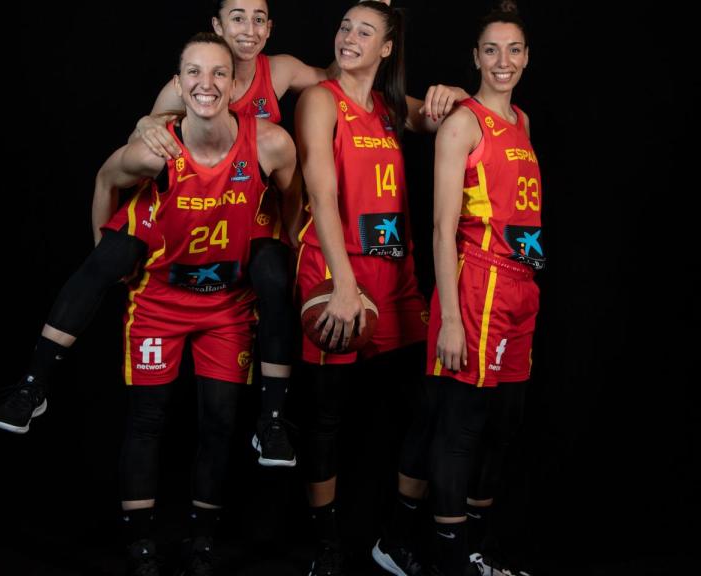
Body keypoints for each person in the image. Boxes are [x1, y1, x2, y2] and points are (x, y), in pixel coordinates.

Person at [0, 33, 302, 576]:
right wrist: (103, 249)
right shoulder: (156, 149)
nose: (206, 84)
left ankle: (203, 542)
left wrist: (276, 237)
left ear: (234, 85)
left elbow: (293, 195)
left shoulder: (270, 143)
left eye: (217, 74)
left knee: (219, 422)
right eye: (194, 75)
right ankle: (36, 393)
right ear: (179, 86)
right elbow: (105, 179)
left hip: (226, 304)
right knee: (147, 419)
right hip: (160, 297)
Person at [122, 0, 463, 469]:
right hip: (212, 227)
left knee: (415, 404)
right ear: (217, 25)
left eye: (258, 18)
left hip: (325, 243)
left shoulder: (284, 73)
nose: (248, 27)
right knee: (122, 266)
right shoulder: (198, 85)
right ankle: (275, 420)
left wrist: (456, 96)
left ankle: (280, 425)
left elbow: (418, 108)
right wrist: (145, 123)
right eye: (345, 27)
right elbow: (138, 143)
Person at [294, 2, 468, 574]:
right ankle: (325, 546)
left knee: (427, 409)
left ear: (387, 48)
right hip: (333, 273)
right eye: (344, 25)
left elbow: (455, 119)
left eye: (365, 31)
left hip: (396, 282)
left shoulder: (393, 107)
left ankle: (393, 537)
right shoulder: (321, 99)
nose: (348, 36)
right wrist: (342, 284)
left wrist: (450, 94)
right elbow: (321, 194)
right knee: (325, 418)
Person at [372, 6, 540, 576]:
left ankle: (473, 549)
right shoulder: (463, 122)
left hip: (522, 288)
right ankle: (452, 558)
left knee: (500, 423)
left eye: (514, 50)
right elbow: (443, 227)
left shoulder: (521, 120)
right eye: (491, 50)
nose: (503, 61)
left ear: (526, 58)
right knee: (461, 422)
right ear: (475, 57)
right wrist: (449, 320)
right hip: (476, 284)